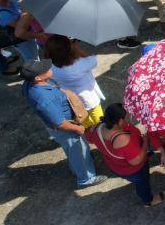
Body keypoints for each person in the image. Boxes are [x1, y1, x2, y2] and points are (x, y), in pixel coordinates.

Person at [20, 60, 107, 188]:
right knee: (78, 151)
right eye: (45, 69)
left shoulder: (29, 84)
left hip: (59, 125)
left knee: (73, 151)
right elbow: (59, 123)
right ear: (38, 78)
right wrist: (78, 129)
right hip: (67, 128)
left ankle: (76, 166)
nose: (49, 68)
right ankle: (86, 178)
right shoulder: (44, 98)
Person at [85, 104, 165, 207]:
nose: (129, 118)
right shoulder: (122, 140)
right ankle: (148, 200)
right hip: (134, 169)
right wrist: (145, 142)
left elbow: (88, 137)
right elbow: (136, 160)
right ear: (120, 121)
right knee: (142, 183)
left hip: (115, 165)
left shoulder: (96, 127)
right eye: (127, 116)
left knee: (140, 180)